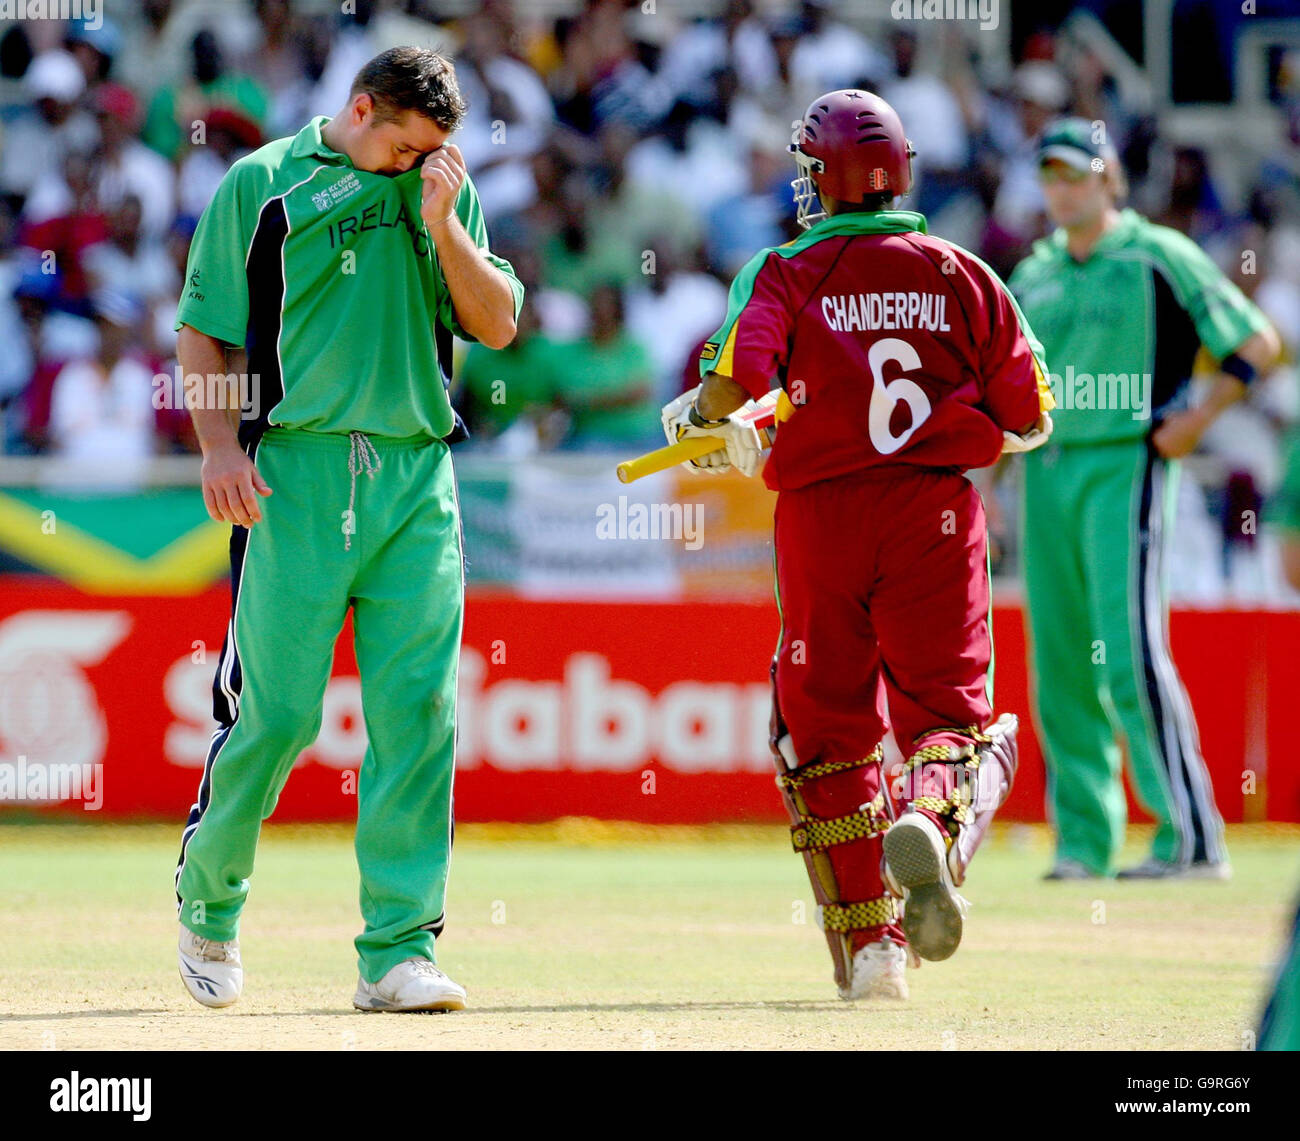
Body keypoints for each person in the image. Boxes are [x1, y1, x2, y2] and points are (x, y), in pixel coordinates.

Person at [660, 89, 1053, 1000]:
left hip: (820, 512)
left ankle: (874, 950)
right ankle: (932, 824)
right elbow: (1028, 414)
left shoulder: (784, 269)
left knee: (824, 728)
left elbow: (731, 388)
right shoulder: (965, 270)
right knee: (950, 713)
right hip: (936, 512)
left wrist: (703, 418)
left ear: (822, 179)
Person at [172, 46, 523, 1014]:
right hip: (294, 472)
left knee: (418, 713)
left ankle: (397, 951)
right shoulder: (262, 184)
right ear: (360, 109)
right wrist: (216, 448)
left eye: (434, 154)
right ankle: (208, 900)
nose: (418, 167)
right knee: (276, 713)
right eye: (403, 148)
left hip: (417, 471)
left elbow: (495, 323)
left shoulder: (441, 187)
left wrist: (444, 224)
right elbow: (202, 329)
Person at [1008, 119, 1280, 881]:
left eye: (1075, 174)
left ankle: (1191, 839)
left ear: (1109, 178)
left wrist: (1197, 416)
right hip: (1047, 467)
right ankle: (1083, 844)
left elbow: (1253, 340)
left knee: (1128, 653)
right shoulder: (1032, 273)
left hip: (1126, 460)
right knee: (1058, 662)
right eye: (1050, 176)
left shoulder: (1158, 252)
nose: (1062, 188)